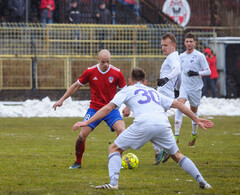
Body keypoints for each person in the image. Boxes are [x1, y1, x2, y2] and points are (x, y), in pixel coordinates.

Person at [73, 67, 214, 190]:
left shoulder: (128, 90)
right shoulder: (154, 92)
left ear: (130, 80)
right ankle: (203, 182)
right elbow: (179, 104)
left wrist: (87, 122)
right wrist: (196, 119)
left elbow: (108, 108)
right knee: (177, 155)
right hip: (163, 124)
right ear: (145, 82)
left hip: (144, 123)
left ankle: (113, 183)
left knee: (114, 149)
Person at [53, 49, 127, 169]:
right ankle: (78, 162)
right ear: (98, 60)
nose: (106, 64)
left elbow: (126, 91)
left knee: (122, 131)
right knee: (82, 135)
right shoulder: (90, 71)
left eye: (108, 61)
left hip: (111, 109)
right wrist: (62, 100)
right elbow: (76, 85)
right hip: (94, 109)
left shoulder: (117, 72)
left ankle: (116, 160)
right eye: (103, 62)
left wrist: (127, 106)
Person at [174, 33, 211, 147]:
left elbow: (208, 71)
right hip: (184, 87)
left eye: (191, 41)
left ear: (194, 43)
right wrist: (176, 87)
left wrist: (197, 73)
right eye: (187, 41)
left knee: (193, 111)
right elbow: (179, 73)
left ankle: (194, 134)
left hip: (195, 88)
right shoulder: (181, 57)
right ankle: (176, 136)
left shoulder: (199, 56)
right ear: (184, 43)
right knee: (179, 107)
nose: (189, 43)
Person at [153, 32, 181, 165]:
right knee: (155, 121)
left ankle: (162, 149)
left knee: (151, 120)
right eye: (162, 45)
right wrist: (176, 88)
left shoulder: (172, 58)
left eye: (165, 45)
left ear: (173, 46)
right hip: (164, 93)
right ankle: (162, 149)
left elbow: (177, 70)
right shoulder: (173, 57)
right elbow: (179, 75)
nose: (163, 48)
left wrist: (166, 79)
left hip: (163, 95)